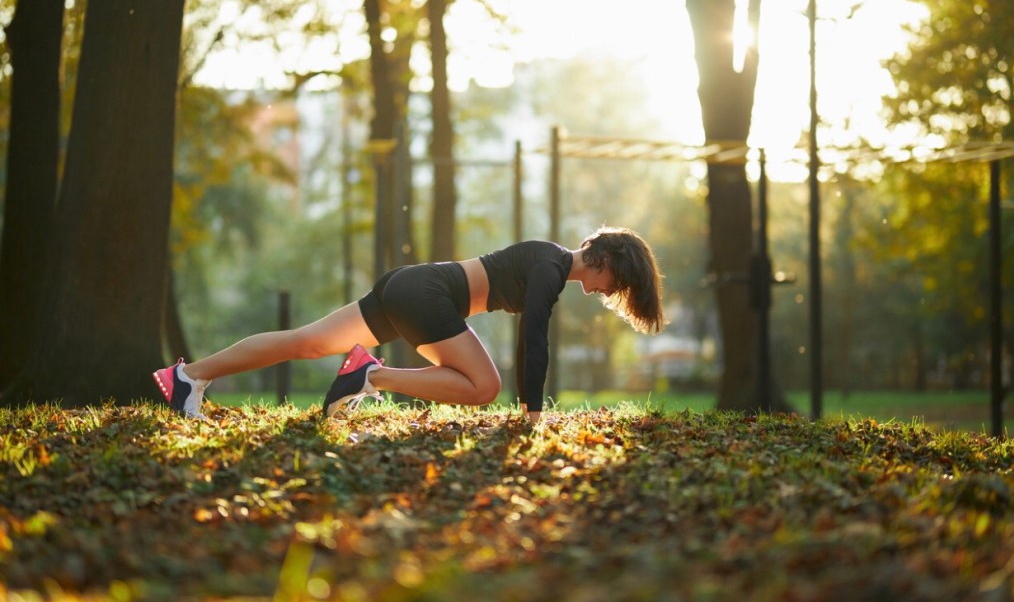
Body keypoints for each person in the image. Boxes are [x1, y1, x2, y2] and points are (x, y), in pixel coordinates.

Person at [153, 226, 664, 423]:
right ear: (606, 259)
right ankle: (369, 377)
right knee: (485, 386)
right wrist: (533, 416)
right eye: (615, 284)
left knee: (305, 342)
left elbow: (533, 342)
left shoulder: (549, 262)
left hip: (412, 286)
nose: (607, 294)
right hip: (426, 295)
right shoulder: (551, 268)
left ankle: (187, 376)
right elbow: (533, 342)